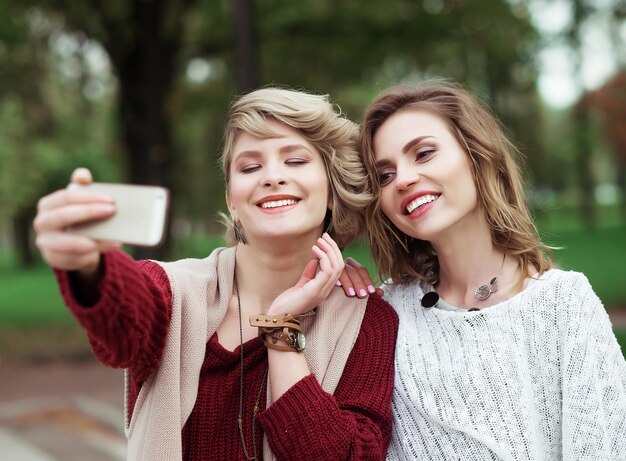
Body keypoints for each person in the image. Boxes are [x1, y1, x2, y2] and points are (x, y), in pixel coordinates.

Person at [33, 87, 398, 461]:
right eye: (250, 167)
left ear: (332, 190)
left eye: (295, 161)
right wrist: (89, 263)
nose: (272, 177)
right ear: (231, 200)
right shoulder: (173, 294)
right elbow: (123, 315)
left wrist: (280, 329)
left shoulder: (368, 322)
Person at [340, 80, 626, 460]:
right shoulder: (383, 313)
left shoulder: (563, 304)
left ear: (477, 155)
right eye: (385, 175)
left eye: (423, 153)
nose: (404, 179)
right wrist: (329, 291)